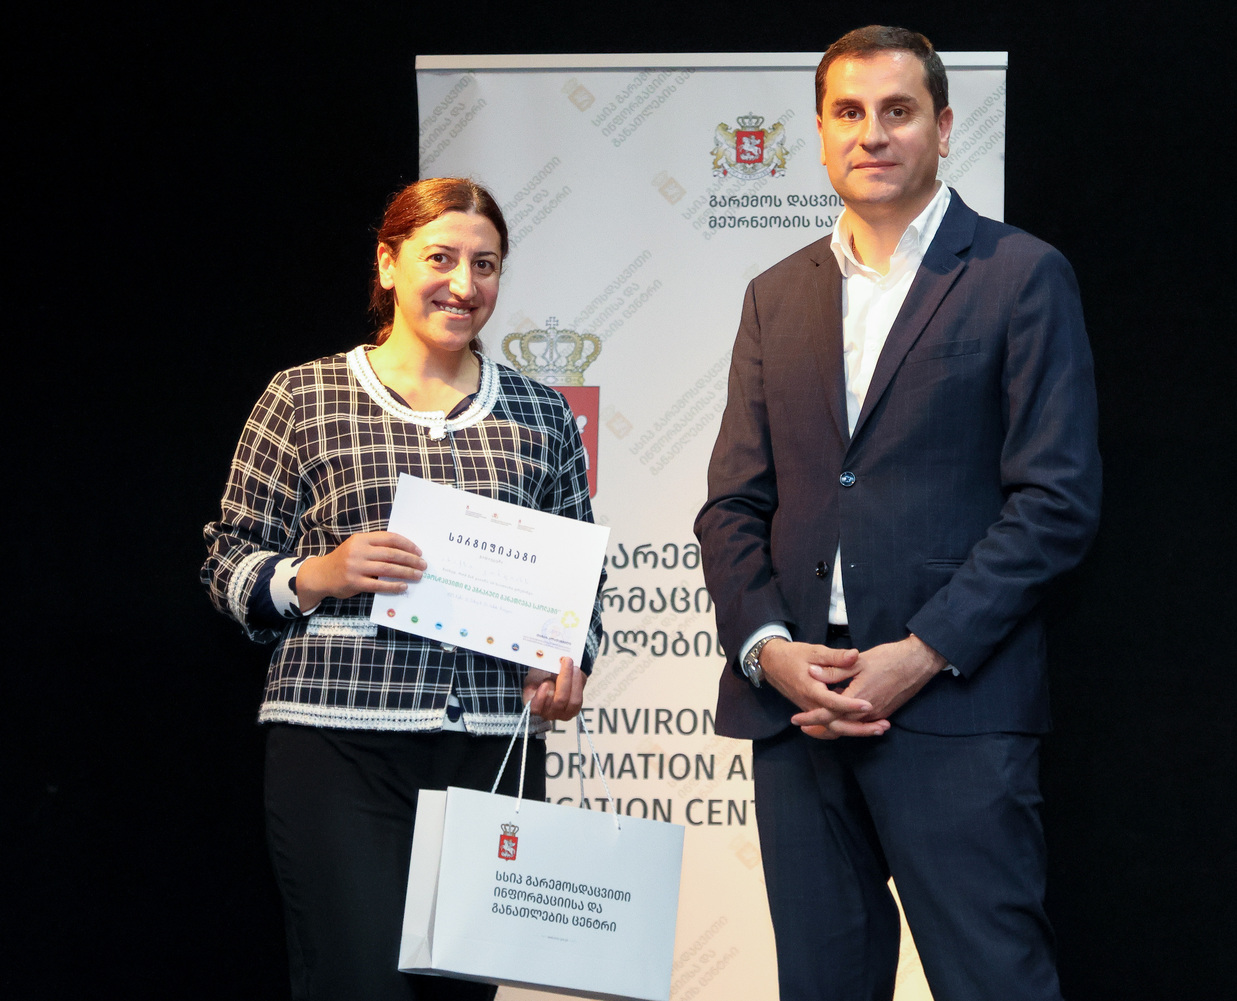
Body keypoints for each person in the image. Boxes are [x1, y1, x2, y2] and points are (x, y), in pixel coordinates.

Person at [694, 26, 1101, 1001]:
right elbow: (732, 504)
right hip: (798, 707)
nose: (870, 133)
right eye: (848, 112)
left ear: (944, 127)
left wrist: (918, 653)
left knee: (994, 983)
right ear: (820, 133)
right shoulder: (773, 295)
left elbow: (1056, 499)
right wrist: (768, 649)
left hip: (953, 706)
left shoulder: (1019, 273)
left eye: (897, 110)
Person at [202, 177, 603, 1001]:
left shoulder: (541, 415)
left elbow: (579, 581)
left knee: (460, 994)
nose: (464, 283)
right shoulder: (303, 396)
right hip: (339, 748)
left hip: (490, 753)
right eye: (440, 258)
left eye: (485, 264)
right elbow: (226, 560)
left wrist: (565, 664)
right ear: (388, 264)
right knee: (358, 982)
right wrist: (318, 573)